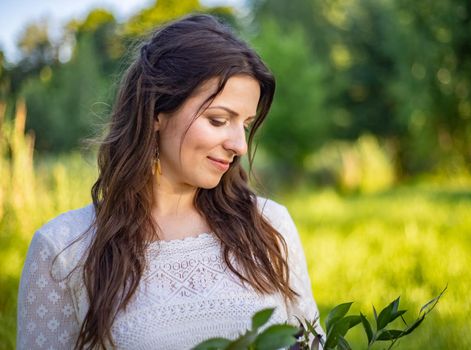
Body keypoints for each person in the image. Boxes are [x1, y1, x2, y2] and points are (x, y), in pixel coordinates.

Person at [17, 14, 320, 349]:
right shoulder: (63, 249)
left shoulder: (269, 226)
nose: (240, 145)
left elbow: (312, 341)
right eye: (219, 120)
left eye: (245, 125)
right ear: (156, 113)